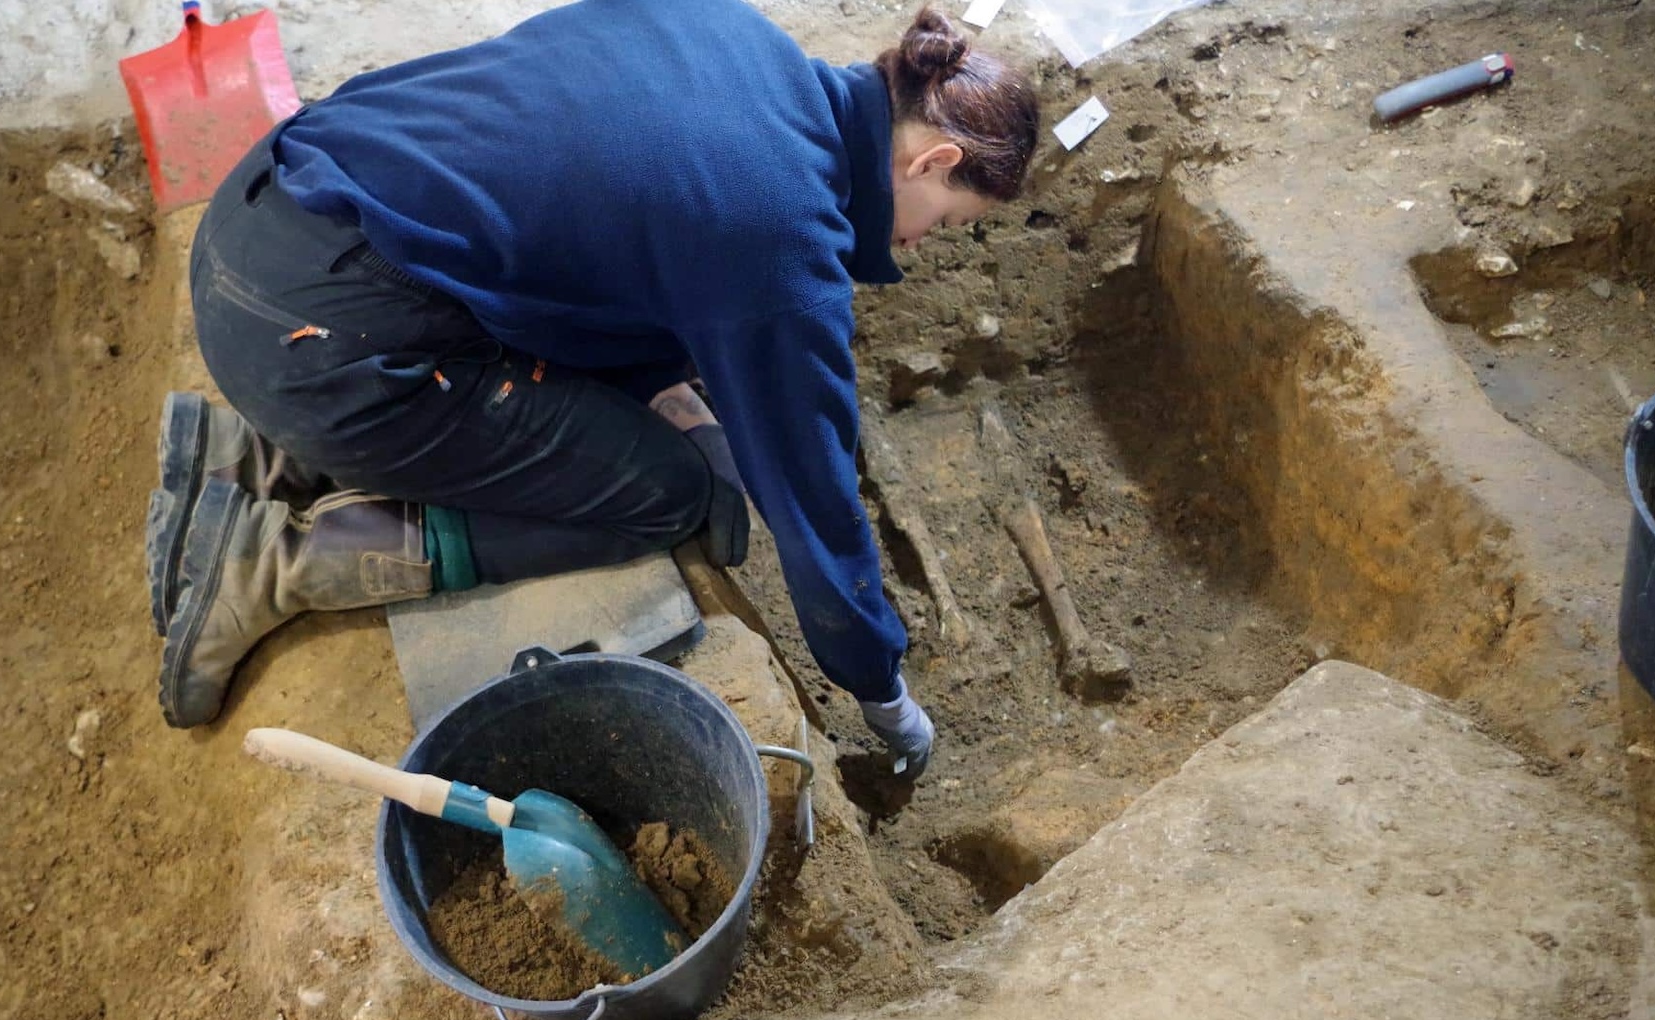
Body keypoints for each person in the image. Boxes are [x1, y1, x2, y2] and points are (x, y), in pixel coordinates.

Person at [145, 0, 1039, 780]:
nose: (926, 245)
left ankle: (250, 454)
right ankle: (274, 562)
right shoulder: (780, 241)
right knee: (663, 493)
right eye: (950, 222)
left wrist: (661, 383)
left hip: (259, 219)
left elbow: (590, 211)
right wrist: (881, 689)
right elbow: (811, 498)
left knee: (564, 377)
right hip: (328, 348)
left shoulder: (726, 27)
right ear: (933, 160)